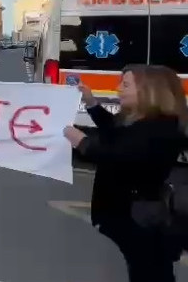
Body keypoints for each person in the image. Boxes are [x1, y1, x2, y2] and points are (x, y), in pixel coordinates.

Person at [64, 65, 187, 282]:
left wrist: (83, 143)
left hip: (137, 220)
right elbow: (114, 132)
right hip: (128, 216)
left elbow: (120, 154)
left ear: (148, 91)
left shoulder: (160, 129)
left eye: (126, 84)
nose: (118, 88)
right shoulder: (143, 123)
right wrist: (92, 103)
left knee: (148, 273)